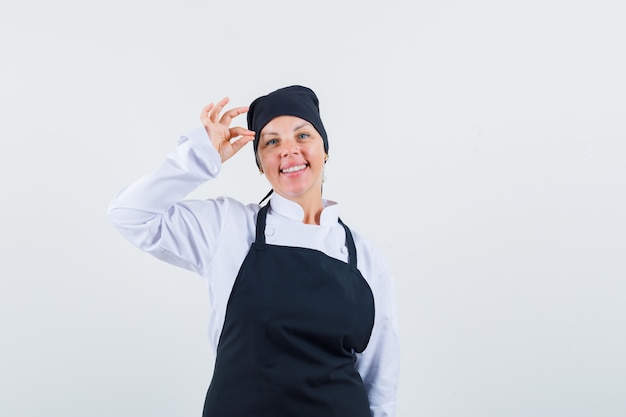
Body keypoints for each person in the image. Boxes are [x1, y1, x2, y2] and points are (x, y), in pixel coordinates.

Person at [107, 85, 400, 417]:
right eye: (272, 142)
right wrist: (201, 156)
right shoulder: (227, 226)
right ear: (260, 163)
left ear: (325, 150)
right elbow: (131, 214)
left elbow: (380, 380)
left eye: (303, 136)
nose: (289, 151)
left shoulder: (363, 256)